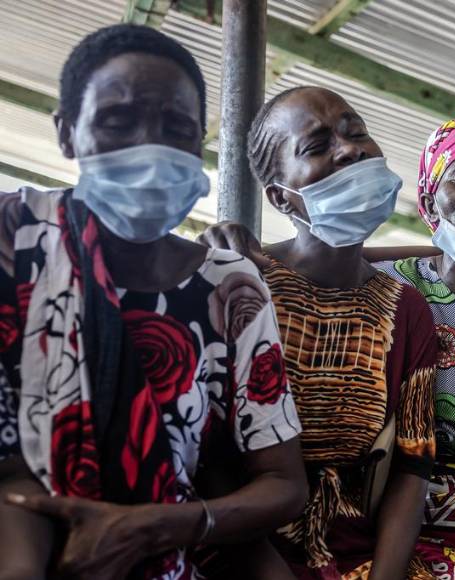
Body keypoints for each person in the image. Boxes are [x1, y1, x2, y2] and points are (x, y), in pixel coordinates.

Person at [204, 108, 455, 580]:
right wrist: (243, 251)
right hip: (391, 515)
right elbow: (323, 259)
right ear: (429, 200)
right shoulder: (394, 289)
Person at [0, 24, 307, 580]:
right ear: (67, 134)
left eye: (176, 128)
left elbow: (283, 484)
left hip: (166, 556)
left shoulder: (229, 286)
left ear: (200, 144)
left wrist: (155, 526)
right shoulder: (16, 237)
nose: (150, 147)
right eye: (118, 122)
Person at [205, 85, 438, 580]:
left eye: (357, 134)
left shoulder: (408, 309)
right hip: (234, 555)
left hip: (362, 561)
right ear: (279, 196)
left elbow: (412, 466)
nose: (351, 149)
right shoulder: (241, 287)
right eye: (316, 146)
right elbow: (207, 466)